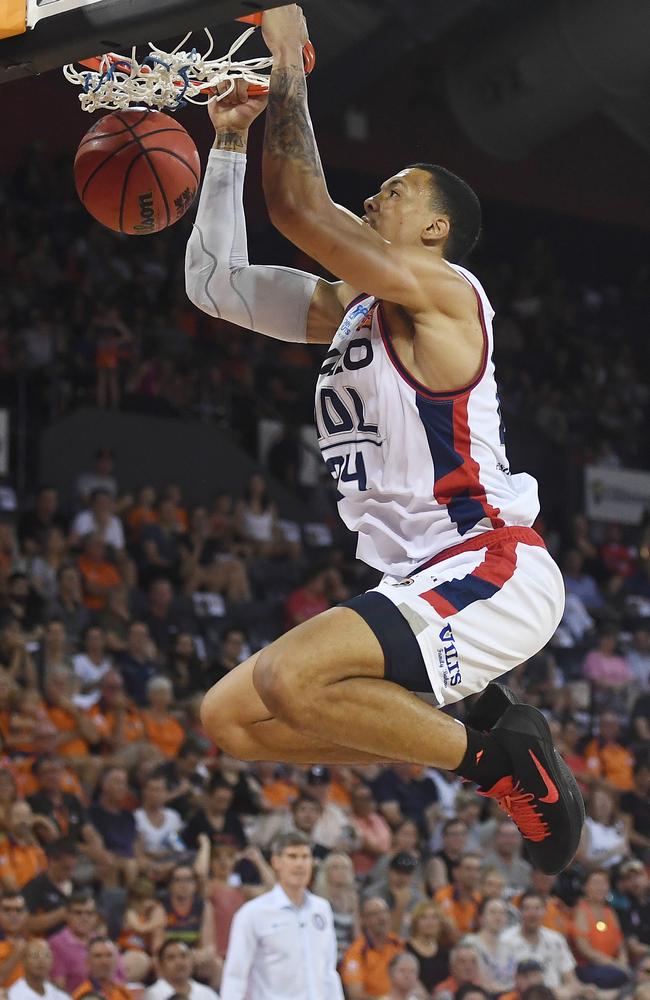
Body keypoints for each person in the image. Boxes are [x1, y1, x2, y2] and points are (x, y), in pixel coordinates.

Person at [190, 4, 583, 878]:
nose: (373, 199)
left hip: (492, 563)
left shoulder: (447, 294)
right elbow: (217, 287)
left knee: (295, 684)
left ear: (436, 231)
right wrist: (224, 145)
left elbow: (296, 204)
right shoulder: (350, 308)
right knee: (230, 721)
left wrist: (287, 58)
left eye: (394, 192)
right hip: (419, 575)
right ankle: (480, 735)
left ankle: (497, 761)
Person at [220, 831, 343, 999]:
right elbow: (235, 975)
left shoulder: (322, 909)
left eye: (305, 857)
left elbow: (328, 972)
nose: (299, 864)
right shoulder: (253, 913)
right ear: (276, 862)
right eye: (292, 857)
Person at [501, 891, 583, 999]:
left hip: (554, 995)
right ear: (520, 911)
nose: (532, 914)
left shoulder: (556, 939)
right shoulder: (505, 940)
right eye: (527, 909)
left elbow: (572, 982)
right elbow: (503, 983)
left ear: (545, 911)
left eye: (537, 909)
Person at [341, 896, 404, 999]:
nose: (382, 918)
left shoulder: (398, 943)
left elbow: (413, 980)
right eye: (375, 914)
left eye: (384, 912)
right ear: (364, 920)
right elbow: (355, 994)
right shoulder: (356, 952)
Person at [145, 939, 218, 1000]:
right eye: (171, 958)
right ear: (161, 965)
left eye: (184, 956)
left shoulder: (207, 994)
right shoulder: (153, 995)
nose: (179, 962)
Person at [405, 901, 450, 994]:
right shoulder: (405, 949)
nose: (430, 922)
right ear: (415, 922)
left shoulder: (445, 953)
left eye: (434, 917)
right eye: (424, 917)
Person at [0, 893, 29, 989]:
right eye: (7, 910)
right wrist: (17, 954)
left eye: (19, 910)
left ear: (26, 915)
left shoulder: (34, 944)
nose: (13, 915)